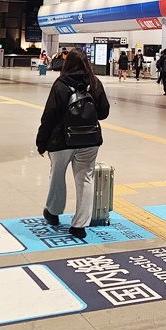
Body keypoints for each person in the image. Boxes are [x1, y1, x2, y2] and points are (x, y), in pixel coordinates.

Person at [35, 49, 110, 240]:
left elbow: (49, 116)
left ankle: (53, 212)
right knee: (85, 179)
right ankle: (79, 225)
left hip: (61, 140)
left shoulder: (61, 84)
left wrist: (41, 142)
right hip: (89, 140)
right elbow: (104, 112)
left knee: (57, 176)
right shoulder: (95, 83)